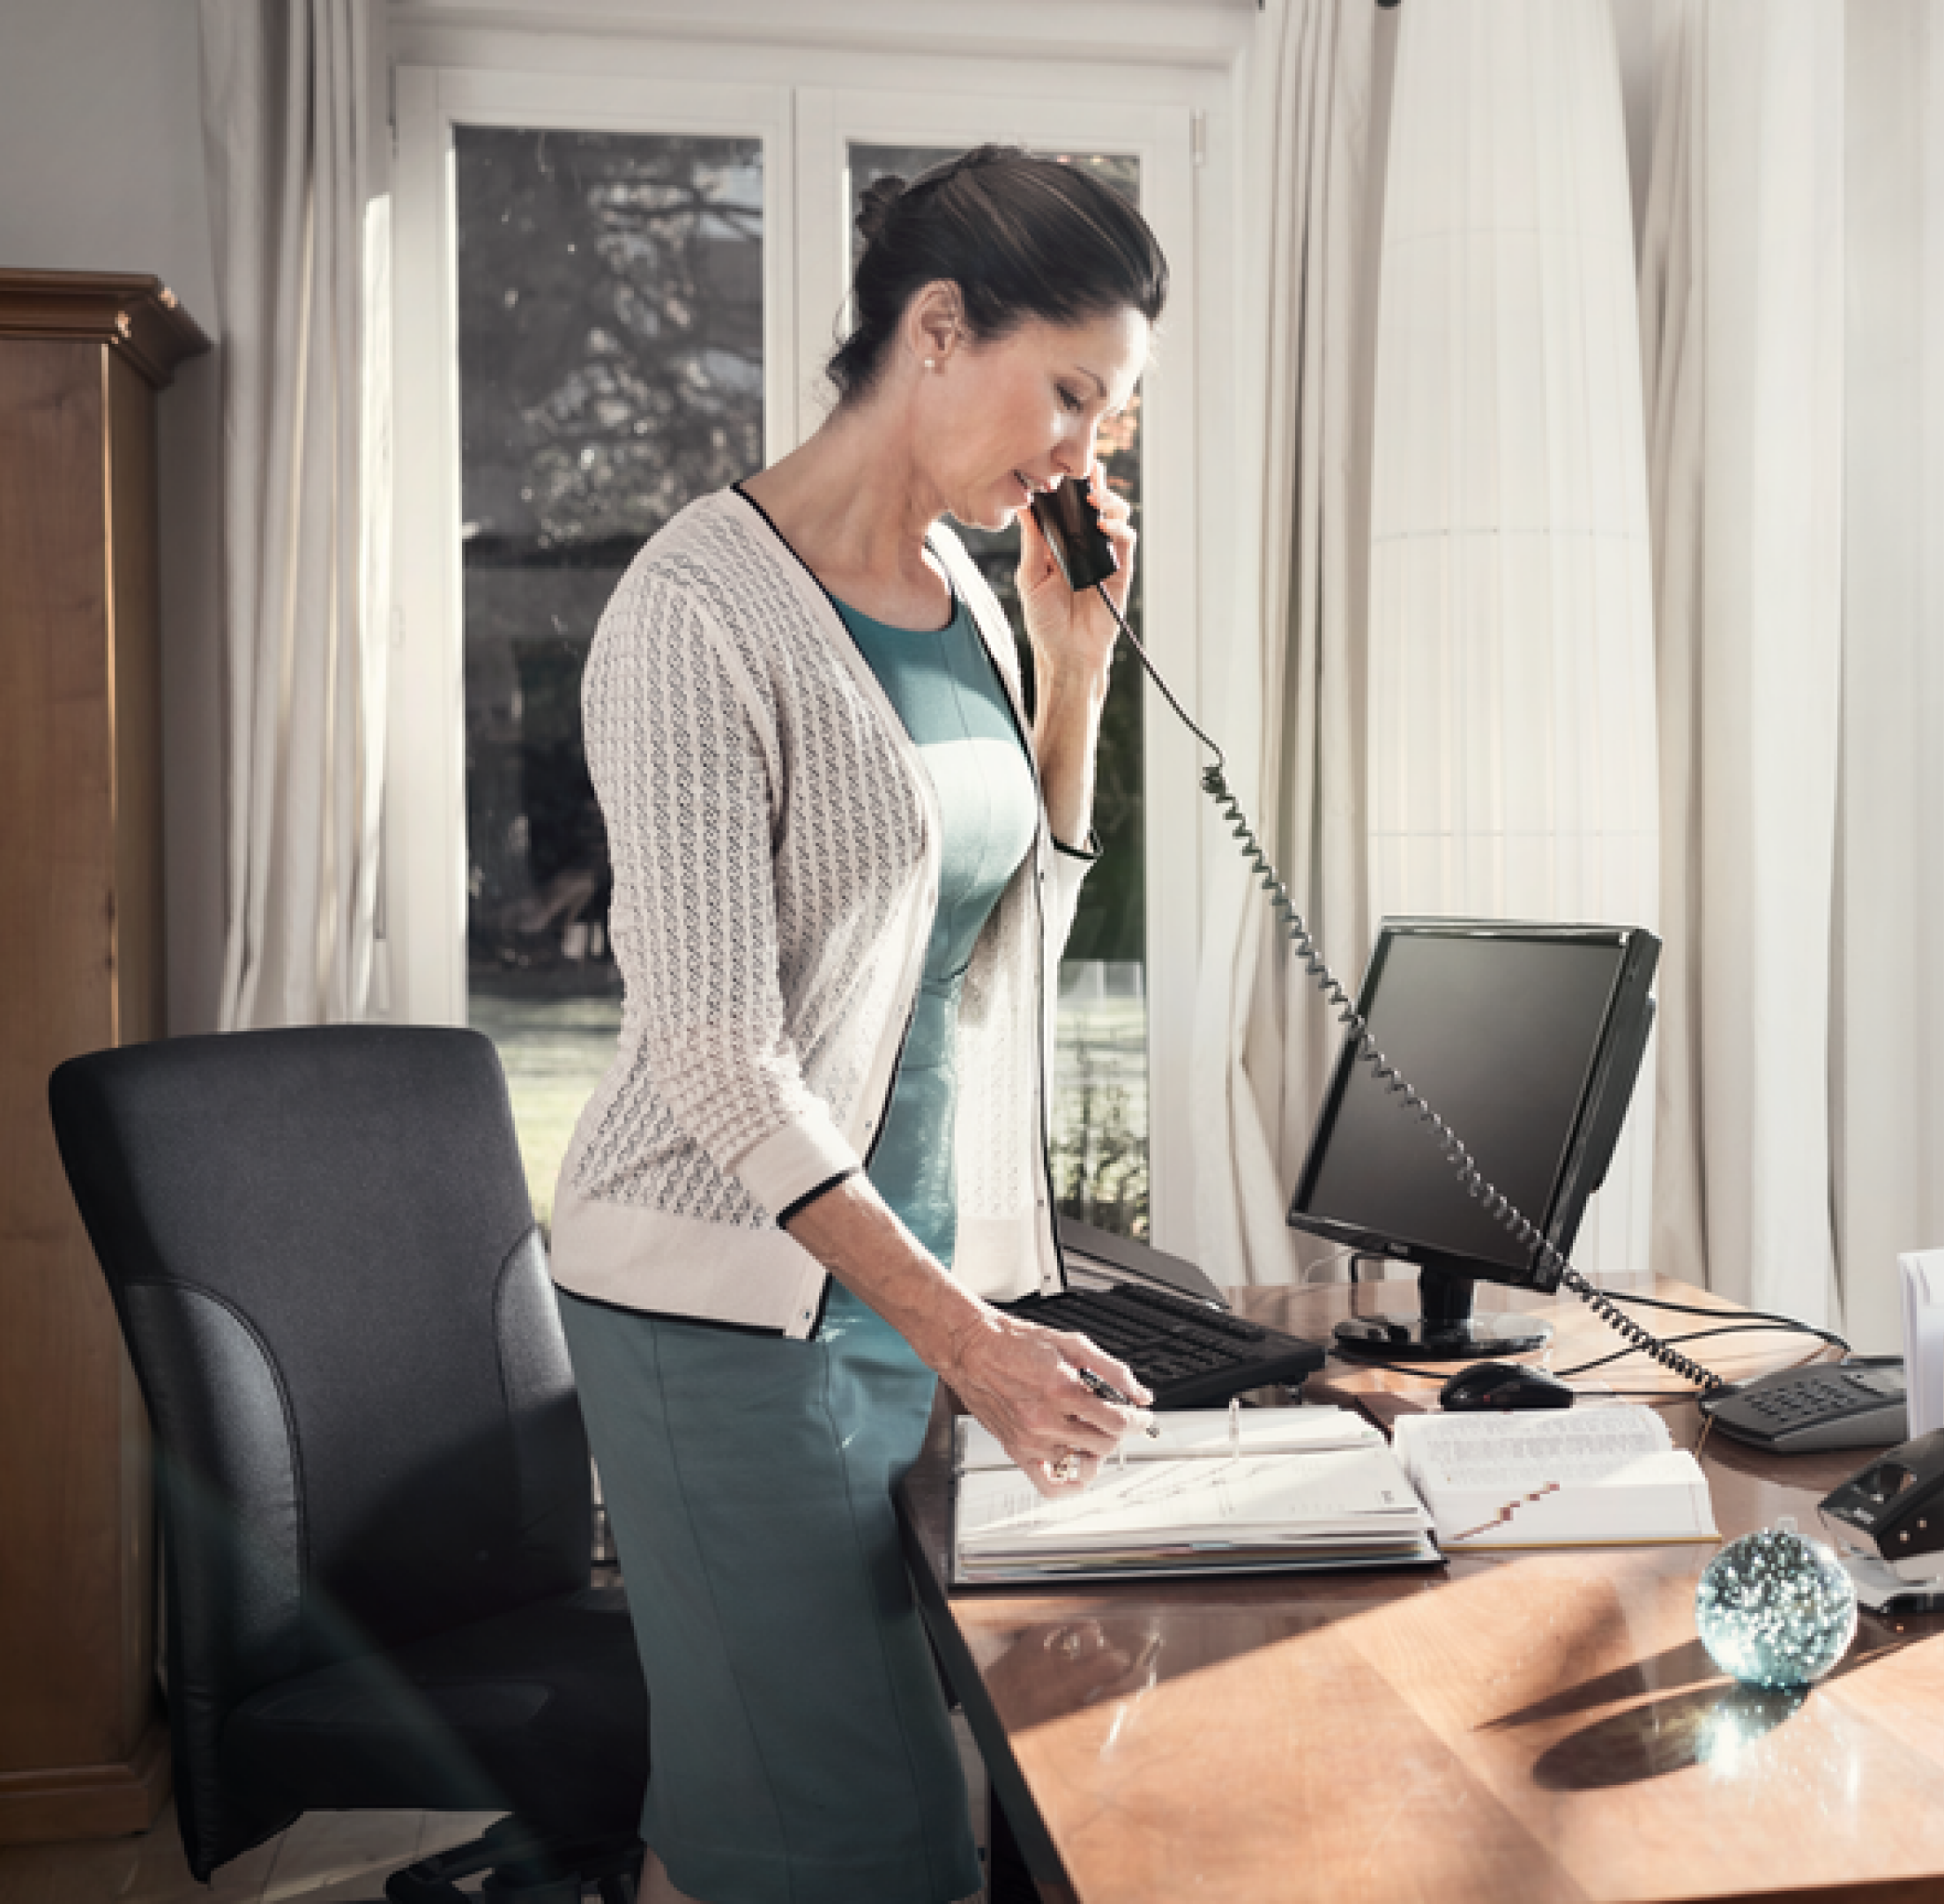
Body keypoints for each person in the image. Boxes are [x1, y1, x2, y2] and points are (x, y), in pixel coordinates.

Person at [546, 148, 1166, 1904]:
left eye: (1105, 423)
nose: (1081, 455)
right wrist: (972, 1340)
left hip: (895, 1296)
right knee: (870, 1834)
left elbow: (996, 937)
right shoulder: (690, 617)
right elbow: (714, 1049)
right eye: (1071, 396)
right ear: (942, 327)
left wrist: (1072, 661)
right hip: (719, 1314)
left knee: (779, 1793)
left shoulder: (962, 588)